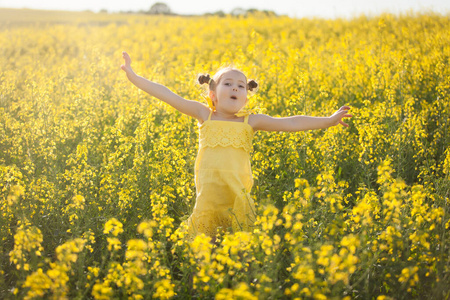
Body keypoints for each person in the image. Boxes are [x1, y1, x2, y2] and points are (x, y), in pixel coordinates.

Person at [121, 51, 352, 240]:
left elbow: (291, 122)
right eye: (228, 84)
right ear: (212, 94)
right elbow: (168, 95)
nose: (235, 88)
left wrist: (328, 120)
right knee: (202, 249)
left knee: (241, 249)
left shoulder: (251, 122)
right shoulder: (204, 115)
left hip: (237, 197)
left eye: (241, 86)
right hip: (208, 197)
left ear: (246, 98)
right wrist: (134, 77)